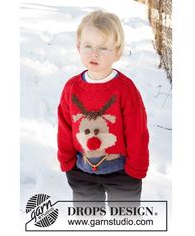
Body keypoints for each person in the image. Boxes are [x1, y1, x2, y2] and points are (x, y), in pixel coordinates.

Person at [57, 10, 149, 208]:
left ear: (117, 52)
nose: (94, 53)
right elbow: (65, 126)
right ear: (78, 47)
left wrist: (136, 168)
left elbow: (137, 130)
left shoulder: (125, 89)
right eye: (88, 46)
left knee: (125, 222)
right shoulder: (72, 88)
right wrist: (67, 161)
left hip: (122, 174)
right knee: (88, 222)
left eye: (103, 48)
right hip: (82, 171)